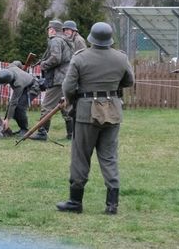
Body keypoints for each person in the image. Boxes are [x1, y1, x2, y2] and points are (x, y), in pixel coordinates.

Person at [57, 22, 134, 215]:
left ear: (91, 37)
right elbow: (129, 81)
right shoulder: (121, 57)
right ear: (109, 38)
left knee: (81, 156)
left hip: (85, 112)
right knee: (109, 157)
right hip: (113, 111)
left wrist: (71, 100)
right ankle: (112, 204)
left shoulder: (80, 58)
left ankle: (75, 202)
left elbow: (68, 86)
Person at [31, 20, 73, 141]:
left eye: (49, 29)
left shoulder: (55, 40)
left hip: (57, 78)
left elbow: (55, 58)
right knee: (64, 106)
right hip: (65, 78)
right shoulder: (66, 41)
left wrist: (44, 64)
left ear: (52, 30)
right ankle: (72, 133)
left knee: (47, 106)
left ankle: (42, 133)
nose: (48, 32)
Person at [0, 61, 41, 138]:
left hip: (33, 87)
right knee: (15, 107)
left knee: (20, 107)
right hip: (26, 85)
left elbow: (14, 102)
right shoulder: (10, 67)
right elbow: (18, 62)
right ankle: (21, 128)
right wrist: (21, 69)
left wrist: (7, 119)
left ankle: (25, 129)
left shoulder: (18, 83)